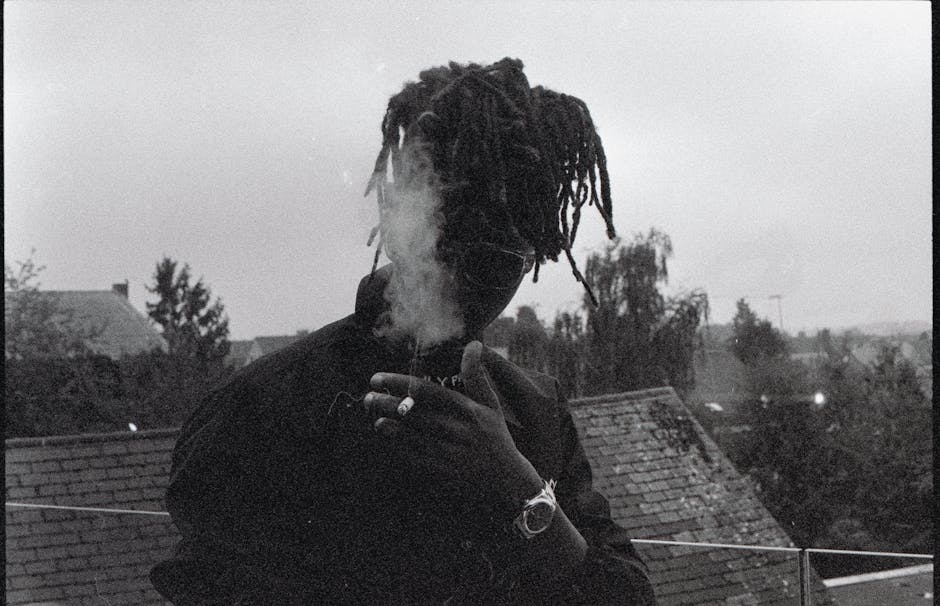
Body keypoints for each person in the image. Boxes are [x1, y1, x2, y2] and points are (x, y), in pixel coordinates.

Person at [151, 57, 657, 605]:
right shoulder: (263, 409)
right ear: (397, 222)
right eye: (453, 243)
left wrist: (518, 488)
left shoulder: (534, 411)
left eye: (503, 257)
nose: (466, 280)